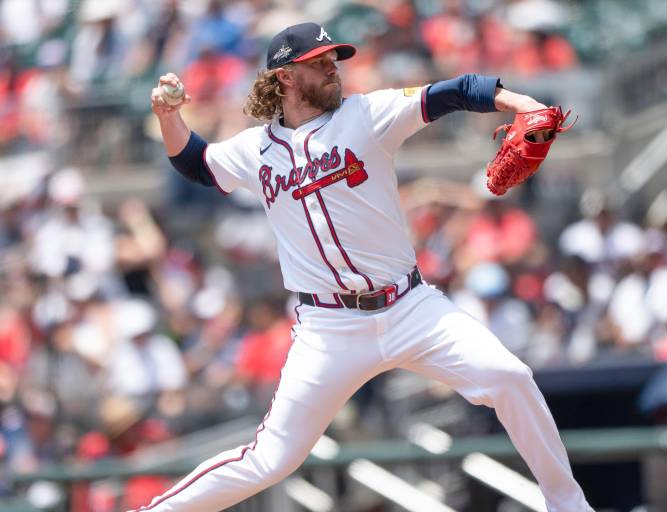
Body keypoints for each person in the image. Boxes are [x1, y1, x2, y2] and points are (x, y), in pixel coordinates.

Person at [139, 22, 593, 512]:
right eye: (318, 62)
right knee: (270, 459)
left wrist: (523, 103)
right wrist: (169, 117)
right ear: (285, 76)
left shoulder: (369, 114)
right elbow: (196, 162)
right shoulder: (254, 150)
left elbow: (456, 91)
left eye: (333, 58)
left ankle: (569, 507)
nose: (332, 67)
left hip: (410, 306)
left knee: (509, 376)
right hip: (329, 327)